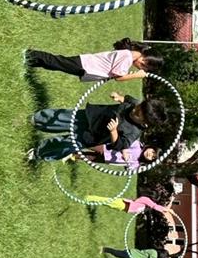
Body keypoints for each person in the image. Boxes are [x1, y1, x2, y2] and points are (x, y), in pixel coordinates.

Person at [28, 91, 166, 164]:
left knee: (66, 144)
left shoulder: (134, 132)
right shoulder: (135, 104)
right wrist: (119, 97)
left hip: (93, 136)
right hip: (93, 116)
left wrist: (113, 132)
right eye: (138, 107)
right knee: (64, 117)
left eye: (138, 114)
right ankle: (37, 120)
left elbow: (119, 145)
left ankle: (39, 153)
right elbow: (128, 99)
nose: (135, 110)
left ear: (145, 122)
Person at [25, 39, 163, 83]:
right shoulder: (128, 57)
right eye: (144, 63)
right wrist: (136, 75)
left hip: (86, 66)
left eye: (145, 68)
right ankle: (28, 54)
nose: (141, 66)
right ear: (144, 54)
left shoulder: (128, 56)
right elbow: (118, 77)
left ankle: (30, 62)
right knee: (55, 61)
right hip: (85, 66)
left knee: (56, 65)